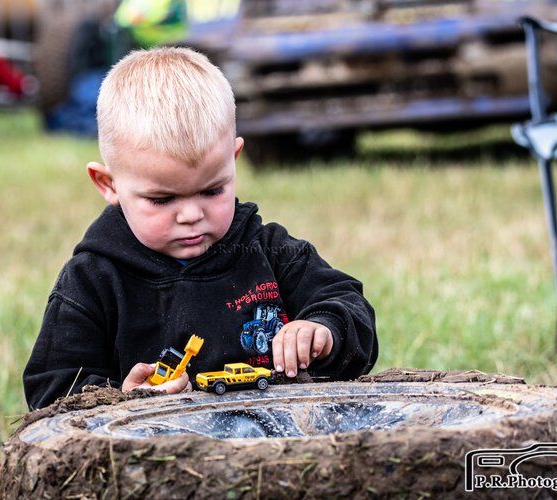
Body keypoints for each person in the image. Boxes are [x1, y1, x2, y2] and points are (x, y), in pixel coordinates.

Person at [23, 47, 378, 410]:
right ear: (108, 184)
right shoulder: (93, 279)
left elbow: (351, 308)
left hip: (276, 444)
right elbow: (51, 390)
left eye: (212, 190)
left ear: (233, 161)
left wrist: (323, 330)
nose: (191, 215)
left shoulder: (270, 251)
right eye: (162, 199)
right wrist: (117, 399)